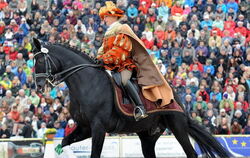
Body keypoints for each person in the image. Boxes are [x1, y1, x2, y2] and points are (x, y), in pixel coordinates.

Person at [97, 1, 174, 121]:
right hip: (110, 64)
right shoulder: (108, 33)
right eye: (104, 17)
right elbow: (102, 50)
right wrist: (98, 59)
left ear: (113, 16)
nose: (104, 19)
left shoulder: (122, 28)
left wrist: (104, 59)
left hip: (124, 65)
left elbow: (121, 50)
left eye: (106, 16)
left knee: (124, 80)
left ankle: (140, 108)